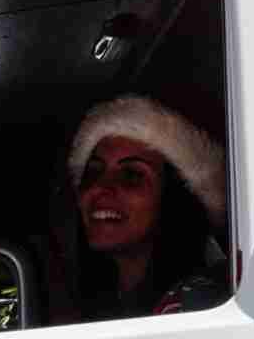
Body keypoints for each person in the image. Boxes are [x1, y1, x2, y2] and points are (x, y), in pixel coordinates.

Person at [66, 94, 231, 320]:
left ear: (175, 199)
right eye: (93, 172)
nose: (100, 188)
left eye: (131, 175)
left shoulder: (198, 305)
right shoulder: (103, 303)